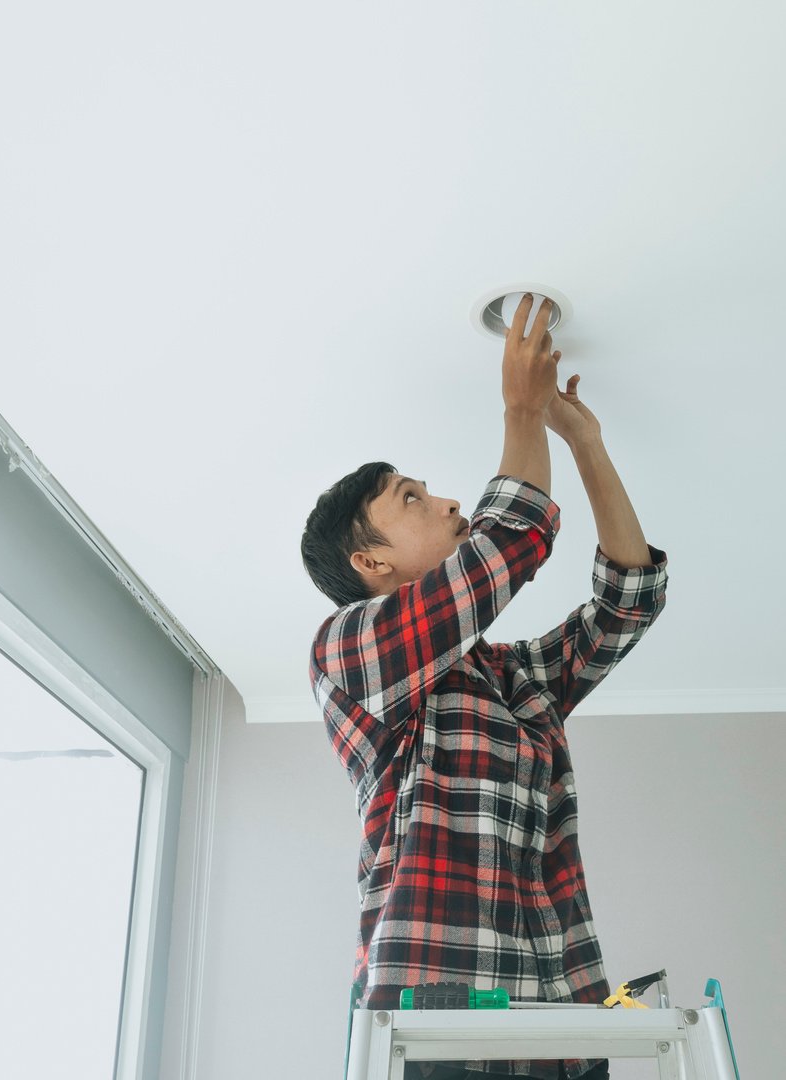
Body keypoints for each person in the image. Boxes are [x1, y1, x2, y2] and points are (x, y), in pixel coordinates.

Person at [301, 295, 668, 1080]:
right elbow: (508, 544)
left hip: (564, 1026)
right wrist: (520, 409)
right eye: (411, 499)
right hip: (436, 1028)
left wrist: (587, 446)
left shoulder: (509, 680)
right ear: (372, 564)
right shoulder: (349, 655)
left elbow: (626, 604)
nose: (446, 501)